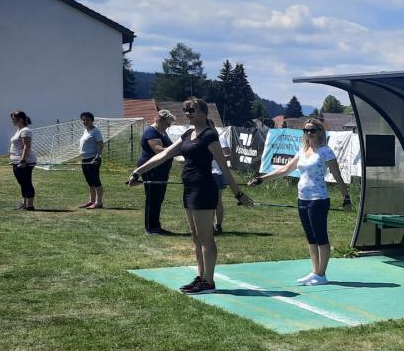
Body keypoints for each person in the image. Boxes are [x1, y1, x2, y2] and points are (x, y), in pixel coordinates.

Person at [127, 98, 252, 294]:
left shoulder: (210, 135)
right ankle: (201, 277)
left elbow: (224, 167)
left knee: (206, 237)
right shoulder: (187, 134)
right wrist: (137, 171)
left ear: (203, 112)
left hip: (204, 189)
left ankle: (208, 282)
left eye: (192, 110)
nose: (188, 113)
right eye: (186, 110)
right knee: (196, 237)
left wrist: (239, 194)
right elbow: (163, 155)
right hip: (189, 189)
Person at [248, 118, 351, 285]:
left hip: (318, 199)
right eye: (306, 130)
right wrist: (261, 179)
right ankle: (315, 272)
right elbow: (285, 169)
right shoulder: (303, 150)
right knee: (311, 237)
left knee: (320, 236)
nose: (309, 133)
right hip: (302, 198)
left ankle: (322, 274)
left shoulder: (325, 151)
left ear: (320, 132)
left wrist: (346, 197)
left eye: (312, 130)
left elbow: (337, 175)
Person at [139, 110, 175, 235]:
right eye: (167, 123)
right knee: (153, 197)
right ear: (160, 120)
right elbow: (158, 150)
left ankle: (156, 226)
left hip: (161, 169)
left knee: (158, 198)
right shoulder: (151, 131)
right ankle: (150, 228)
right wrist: (177, 150)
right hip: (152, 169)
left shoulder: (162, 131)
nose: (169, 126)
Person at [9, 111, 36, 211]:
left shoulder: (26, 131)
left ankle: (30, 206)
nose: (12, 121)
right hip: (17, 161)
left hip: (25, 162)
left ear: (20, 119)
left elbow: (26, 146)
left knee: (26, 182)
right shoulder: (19, 130)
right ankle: (24, 204)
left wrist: (23, 160)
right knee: (22, 183)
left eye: (13, 119)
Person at [78, 112, 105, 209]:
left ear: (92, 121)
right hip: (85, 159)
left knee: (95, 181)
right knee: (90, 182)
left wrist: (98, 156)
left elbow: (100, 144)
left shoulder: (95, 131)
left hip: (93, 159)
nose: (85, 121)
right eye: (83, 120)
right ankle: (92, 201)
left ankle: (99, 203)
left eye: (88, 120)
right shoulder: (85, 131)